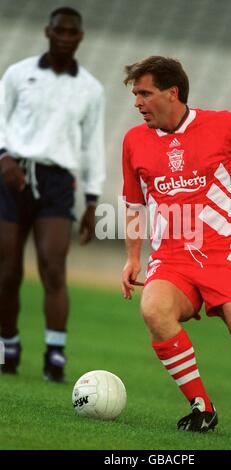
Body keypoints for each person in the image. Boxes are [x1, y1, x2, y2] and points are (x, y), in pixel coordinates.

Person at [121, 56, 231, 445]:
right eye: (136, 94)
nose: (137, 103)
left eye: (144, 93)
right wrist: (134, 256)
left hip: (221, 254)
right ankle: (202, 408)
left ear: (172, 92)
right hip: (170, 259)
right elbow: (134, 203)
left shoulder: (223, 124)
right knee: (154, 309)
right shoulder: (134, 140)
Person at [0, 7, 105, 383]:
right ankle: (7, 347)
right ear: (47, 31)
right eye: (58, 30)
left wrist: (93, 200)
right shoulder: (18, 73)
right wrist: (3, 156)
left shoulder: (91, 88)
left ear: (80, 37)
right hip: (12, 177)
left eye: (71, 32)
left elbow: (92, 144)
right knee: (7, 272)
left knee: (53, 266)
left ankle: (55, 355)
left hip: (59, 182)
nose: (63, 36)